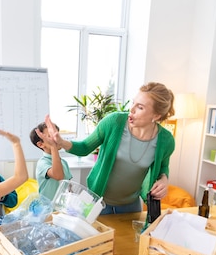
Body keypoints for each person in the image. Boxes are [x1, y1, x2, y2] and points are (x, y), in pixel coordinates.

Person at [42, 82, 175, 215]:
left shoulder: (166, 140)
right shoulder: (114, 122)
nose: (132, 109)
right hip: (96, 201)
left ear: (156, 116)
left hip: (131, 205)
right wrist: (61, 142)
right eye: (133, 103)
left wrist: (164, 179)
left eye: (140, 107)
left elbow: (163, 167)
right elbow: (84, 147)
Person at [30, 121, 73, 201]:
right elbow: (58, 176)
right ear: (41, 144)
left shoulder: (63, 162)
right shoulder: (42, 163)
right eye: (51, 136)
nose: (57, 138)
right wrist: (53, 146)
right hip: (48, 211)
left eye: (57, 134)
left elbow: (69, 187)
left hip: (62, 210)